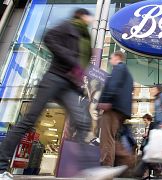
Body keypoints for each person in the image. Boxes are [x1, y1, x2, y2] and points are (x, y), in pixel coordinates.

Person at [0, 9, 94, 179]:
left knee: (82, 121)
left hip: (68, 85)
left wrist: (80, 86)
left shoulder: (83, 37)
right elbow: (49, 37)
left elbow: (77, 67)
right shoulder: (68, 27)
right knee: (29, 121)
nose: (92, 20)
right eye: (89, 16)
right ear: (82, 16)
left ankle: (87, 170)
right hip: (53, 78)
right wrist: (70, 57)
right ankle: (1, 167)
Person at [97, 51, 134, 168]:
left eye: (111, 57)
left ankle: (106, 166)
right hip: (121, 110)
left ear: (118, 57)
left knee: (106, 137)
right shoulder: (128, 73)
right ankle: (128, 161)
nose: (109, 60)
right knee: (113, 137)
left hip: (113, 107)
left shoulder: (119, 68)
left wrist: (106, 100)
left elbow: (113, 84)